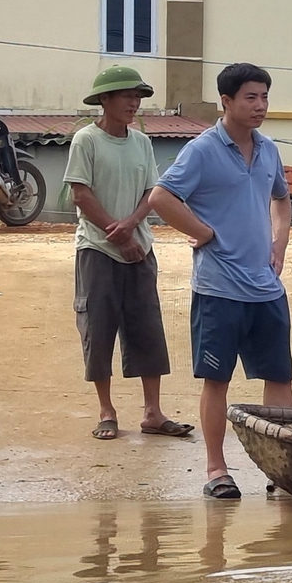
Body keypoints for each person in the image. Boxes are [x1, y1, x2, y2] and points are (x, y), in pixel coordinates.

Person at [149, 62, 292, 500]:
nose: (260, 106)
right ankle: (216, 470)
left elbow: (282, 200)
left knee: (279, 380)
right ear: (226, 101)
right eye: (251, 97)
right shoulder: (202, 150)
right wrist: (202, 232)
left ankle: (284, 470)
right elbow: (160, 197)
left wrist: (279, 243)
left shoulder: (268, 150)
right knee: (218, 380)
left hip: (266, 288)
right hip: (218, 288)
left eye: (265, 97)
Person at [66, 64, 188, 442]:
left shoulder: (142, 142)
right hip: (97, 249)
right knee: (98, 329)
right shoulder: (85, 140)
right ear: (104, 100)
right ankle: (107, 409)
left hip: (139, 248)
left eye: (137, 97)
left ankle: (153, 412)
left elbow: (150, 193)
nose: (134, 103)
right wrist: (116, 233)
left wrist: (133, 224)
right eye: (126, 96)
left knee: (147, 328)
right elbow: (81, 194)